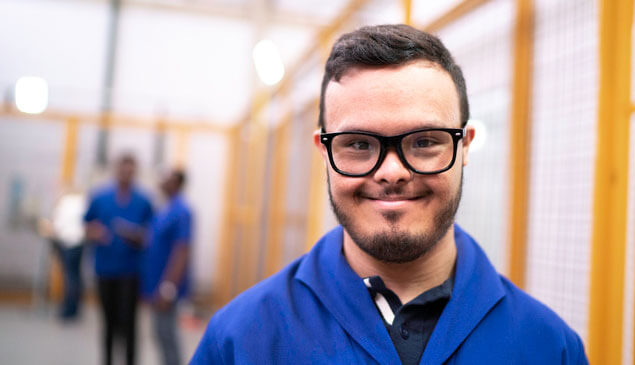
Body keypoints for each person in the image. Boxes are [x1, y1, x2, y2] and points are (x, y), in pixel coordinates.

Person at [192, 24, 588, 364]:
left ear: (465, 146)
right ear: (324, 152)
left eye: (425, 141)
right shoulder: (241, 340)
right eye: (359, 145)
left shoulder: (548, 347)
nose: (393, 172)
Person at [84, 154, 153, 365]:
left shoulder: (144, 201)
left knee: (129, 322)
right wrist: (95, 233)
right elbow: (87, 226)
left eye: (130, 171)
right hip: (105, 269)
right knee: (108, 321)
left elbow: (150, 235)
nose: (126, 174)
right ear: (116, 170)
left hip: (130, 272)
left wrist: (134, 234)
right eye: (123, 170)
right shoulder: (99, 197)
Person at [142, 168, 193, 365]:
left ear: (178, 184)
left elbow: (182, 250)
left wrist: (168, 288)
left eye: (168, 179)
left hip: (166, 285)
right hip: (156, 281)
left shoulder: (182, 211)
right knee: (160, 333)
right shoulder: (166, 209)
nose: (162, 182)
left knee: (167, 334)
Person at [37, 189, 87, 320]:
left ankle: (68, 309)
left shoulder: (64, 204)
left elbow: (57, 226)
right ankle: (74, 308)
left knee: (70, 278)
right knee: (75, 277)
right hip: (79, 243)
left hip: (67, 243)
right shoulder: (81, 203)